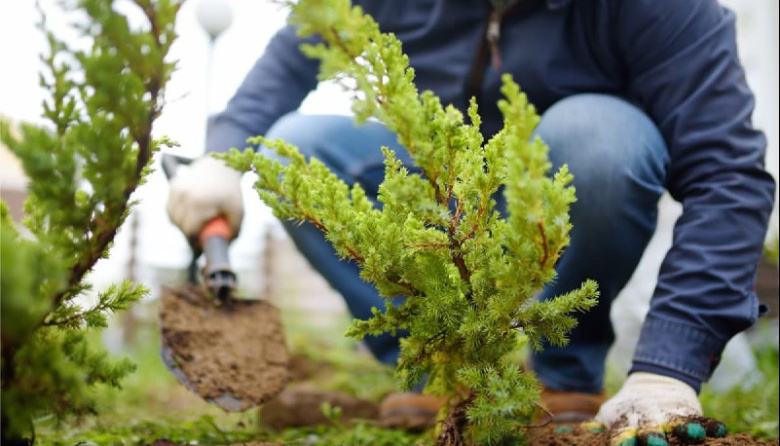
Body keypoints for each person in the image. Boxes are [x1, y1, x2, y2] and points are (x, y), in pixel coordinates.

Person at [167, 0, 776, 443]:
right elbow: (299, 44)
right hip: (444, 199)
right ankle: (434, 362)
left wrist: (669, 367)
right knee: (286, 152)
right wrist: (222, 154)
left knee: (600, 138)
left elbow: (727, 176)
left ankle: (566, 369)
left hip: (563, 199)